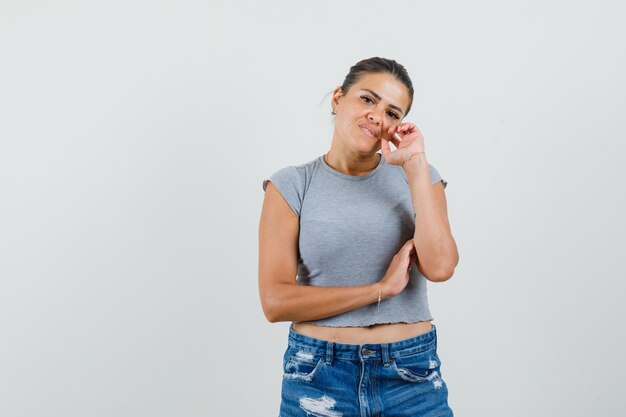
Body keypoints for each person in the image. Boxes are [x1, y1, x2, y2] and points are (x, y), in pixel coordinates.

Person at [258, 57, 459, 417]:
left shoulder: (421, 176)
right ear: (338, 98)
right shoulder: (292, 185)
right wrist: (379, 290)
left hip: (409, 374)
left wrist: (415, 168)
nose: (377, 115)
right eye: (368, 99)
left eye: (392, 112)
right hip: (318, 375)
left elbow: (441, 267)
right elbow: (275, 301)